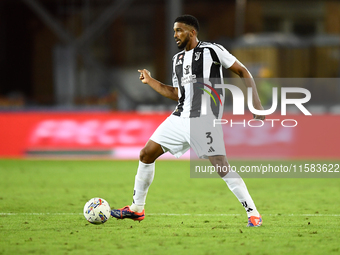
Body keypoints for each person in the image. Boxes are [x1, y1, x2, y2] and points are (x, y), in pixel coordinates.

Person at [111, 15, 265, 227]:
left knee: (221, 166)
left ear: (193, 32)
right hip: (179, 117)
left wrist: (255, 102)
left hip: (204, 120)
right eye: (174, 31)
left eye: (180, 30)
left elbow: (242, 71)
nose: (175, 35)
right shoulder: (177, 60)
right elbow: (177, 93)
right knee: (146, 154)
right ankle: (137, 208)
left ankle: (253, 213)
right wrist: (150, 81)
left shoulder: (212, 50)